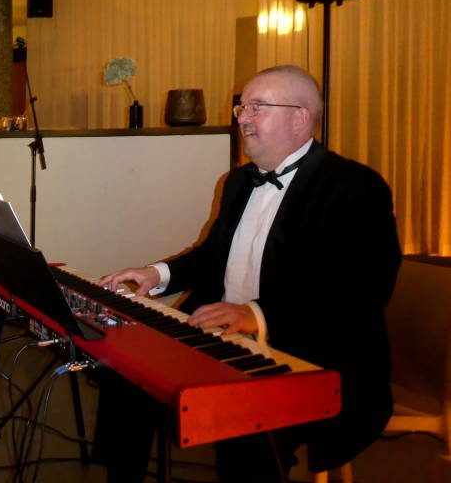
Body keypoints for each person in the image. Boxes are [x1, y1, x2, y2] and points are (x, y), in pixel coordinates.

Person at [95, 65, 401, 482]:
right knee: (126, 375)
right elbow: (212, 256)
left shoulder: (355, 186)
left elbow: (360, 291)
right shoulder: (238, 181)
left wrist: (255, 314)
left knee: (244, 421)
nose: (242, 118)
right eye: (243, 107)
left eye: (258, 107)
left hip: (313, 353)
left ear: (299, 118)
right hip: (224, 338)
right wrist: (157, 273)